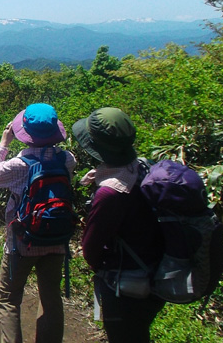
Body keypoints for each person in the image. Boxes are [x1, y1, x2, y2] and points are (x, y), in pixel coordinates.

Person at [0, 103, 76, 343]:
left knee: (8, 298)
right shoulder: (67, 160)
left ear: (23, 133)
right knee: (50, 297)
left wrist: (3, 144)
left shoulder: (18, 166)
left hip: (22, 242)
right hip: (57, 240)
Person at [72, 107, 166, 343]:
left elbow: (90, 251)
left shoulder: (110, 194)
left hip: (127, 284)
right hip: (155, 272)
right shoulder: (146, 166)